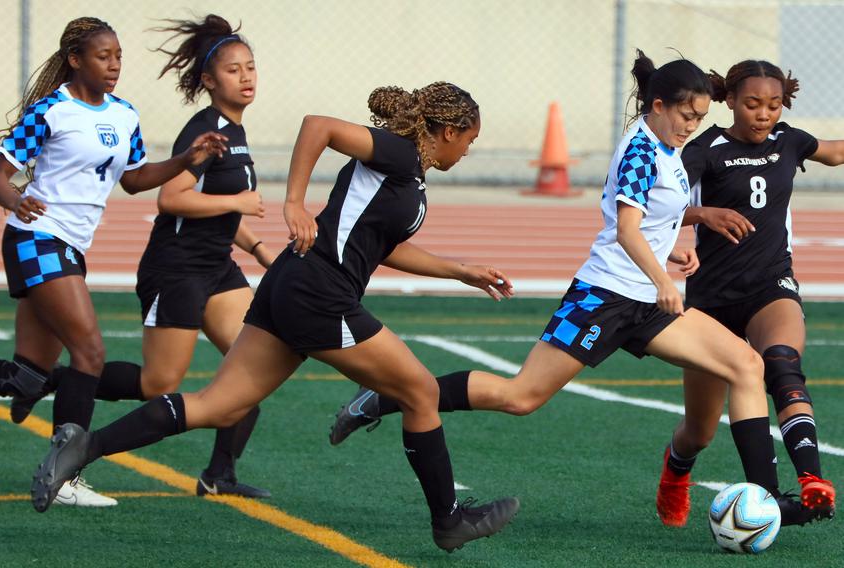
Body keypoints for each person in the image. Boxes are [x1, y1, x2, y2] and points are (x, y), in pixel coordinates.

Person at [329, 51, 815, 526]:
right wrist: (663, 277)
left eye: (700, 117)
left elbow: (643, 223)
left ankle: (767, 500)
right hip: (602, 299)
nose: (692, 125)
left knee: (746, 365)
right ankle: (385, 398)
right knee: (520, 397)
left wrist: (668, 250)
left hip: (646, 302)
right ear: (659, 106)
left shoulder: (669, 149)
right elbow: (625, 230)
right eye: (686, 114)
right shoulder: (642, 149)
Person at [30, 81, 520, 552]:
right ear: (450, 132)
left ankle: (84, 448)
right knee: (421, 391)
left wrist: (459, 270)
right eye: (470, 141)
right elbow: (317, 126)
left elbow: (381, 248)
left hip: (294, 283)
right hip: (319, 291)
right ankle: (449, 520)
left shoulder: (407, 173)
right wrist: (294, 203)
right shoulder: (400, 153)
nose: (468, 152)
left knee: (218, 406)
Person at [0, 16, 227, 507]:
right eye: (102, 56)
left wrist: (186, 160)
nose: (113, 66)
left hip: (68, 248)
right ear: (75, 60)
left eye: (118, 57)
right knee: (89, 352)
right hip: (36, 239)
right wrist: (14, 201)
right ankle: (64, 477)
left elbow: (134, 180)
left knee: (27, 375)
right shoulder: (51, 111)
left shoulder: (124, 113)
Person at [10, 14, 274, 499]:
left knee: (251, 367)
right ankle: (64, 385)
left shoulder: (236, 130)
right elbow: (171, 199)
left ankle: (219, 476)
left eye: (251, 67)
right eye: (235, 70)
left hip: (218, 266)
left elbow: (218, 209)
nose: (247, 77)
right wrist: (237, 203)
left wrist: (258, 248)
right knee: (159, 382)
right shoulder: (204, 130)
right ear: (209, 81)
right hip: (178, 267)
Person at [653, 59, 839, 527]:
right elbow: (657, 202)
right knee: (699, 430)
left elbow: (835, 153)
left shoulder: (790, 141)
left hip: (770, 285)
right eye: (753, 104)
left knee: (781, 362)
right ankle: (676, 472)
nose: (764, 114)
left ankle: (812, 481)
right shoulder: (706, 149)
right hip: (712, 302)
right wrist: (703, 215)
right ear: (730, 100)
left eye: (774, 105)